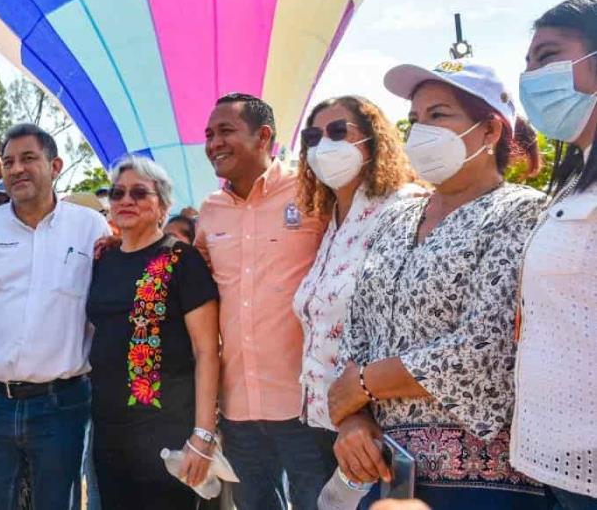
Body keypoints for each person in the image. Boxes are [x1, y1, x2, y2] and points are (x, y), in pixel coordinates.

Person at [330, 60, 545, 509]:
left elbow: (484, 349)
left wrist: (363, 384)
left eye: (439, 115)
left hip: (483, 486)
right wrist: (353, 420)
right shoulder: (396, 219)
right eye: (415, 119)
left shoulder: (520, 213)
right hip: (387, 474)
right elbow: (356, 332)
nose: (420, 131)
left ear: (489, 132)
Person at [0, 123, 110, 510]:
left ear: (56, 165)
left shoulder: (91, 227)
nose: (16, 169)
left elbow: (107, 309)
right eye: (9, 161)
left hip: (63, 404)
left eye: (28, 158)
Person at [194, 93, 330, 510]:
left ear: (264, 136)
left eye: (226, 131)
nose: (214, 142)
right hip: (238, 410)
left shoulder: (312, 193)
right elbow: (190, 282)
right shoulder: (210, 211)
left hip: (306, 406)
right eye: (209, 134)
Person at [87, 155, 220, 508]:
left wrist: (203, 434)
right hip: (109, 430)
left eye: (139, 193)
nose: (126, 201)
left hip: (168, 432)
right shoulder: (104, 260)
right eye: (117, 194)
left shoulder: (182, 260)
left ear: (162, 204)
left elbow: (207, 350)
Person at [512, 0, 597, 509]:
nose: (531, 77)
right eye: (527, 63)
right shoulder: (572, 183)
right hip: (556, 459)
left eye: (547, 56)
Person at [292, 96, 421, 431]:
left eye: (338, 132)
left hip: (374, 426)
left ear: (372, 140)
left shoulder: (404, 209)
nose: (323, 145)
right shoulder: (330, 222)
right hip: (323, 419)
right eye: (312, 137)